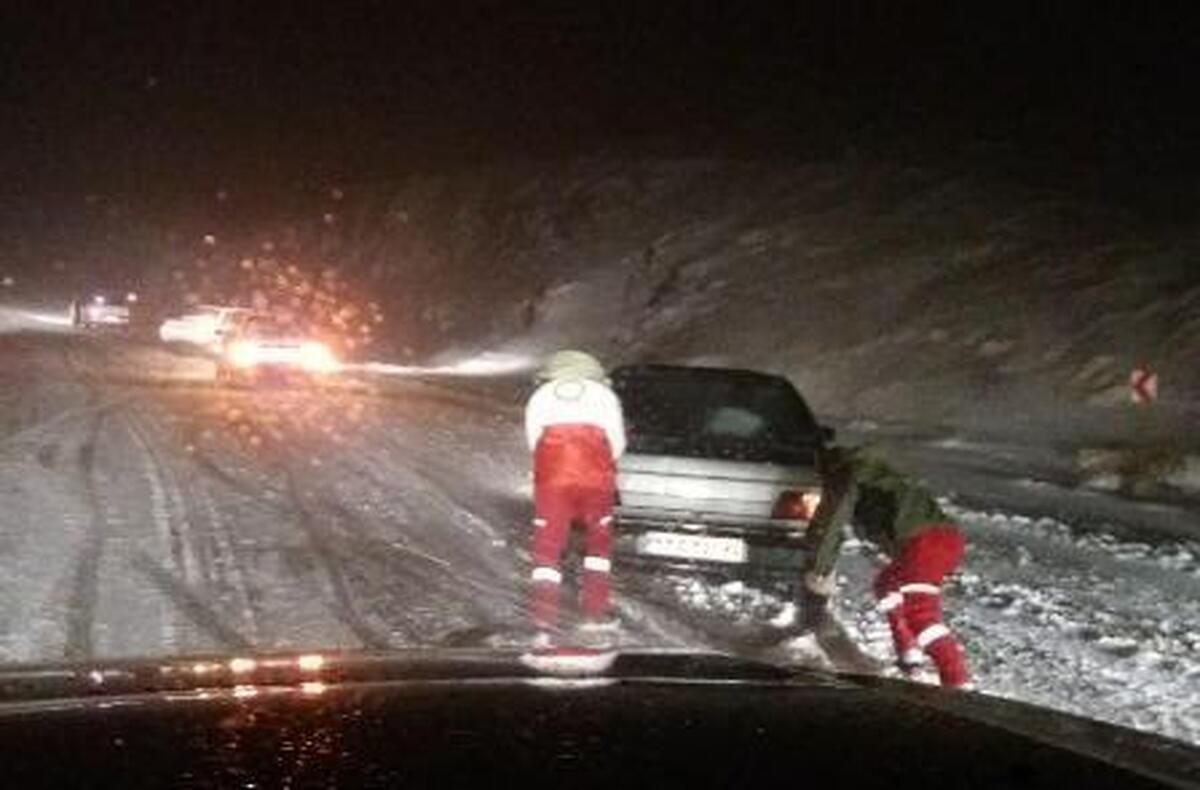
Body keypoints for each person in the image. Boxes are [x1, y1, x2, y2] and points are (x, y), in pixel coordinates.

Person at [800, 445, 972, 688]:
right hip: (937, 540)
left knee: (921, 614)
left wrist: (818, 570)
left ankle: (957, 682)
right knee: (887, 584)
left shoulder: (846, 477)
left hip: (925, 544)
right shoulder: (871, 473)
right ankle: (909, 654)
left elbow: (831, 524)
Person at [524, 350, 626, 645]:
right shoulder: (605, 398)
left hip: (553, 479)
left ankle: (543, 619)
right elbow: (617, 442)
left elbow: (533, 440)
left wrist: (552, 467)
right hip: (596, 479)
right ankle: (595, 613)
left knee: (548, 547)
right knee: (598, 546)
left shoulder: (541, 396)